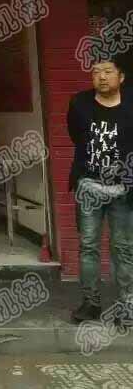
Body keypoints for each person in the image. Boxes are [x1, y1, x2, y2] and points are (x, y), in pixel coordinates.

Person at [67, 58, 133, 324]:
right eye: (96, 72)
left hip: (123, 188)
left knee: (124, 248)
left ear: (121, 76)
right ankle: (90, 302)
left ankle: (127, 304)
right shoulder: (79, 103)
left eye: (107, 71)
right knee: (88, 246)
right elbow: (75, 135)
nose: (101, 77)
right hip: (89, 186)